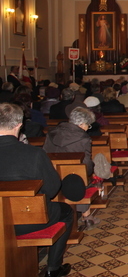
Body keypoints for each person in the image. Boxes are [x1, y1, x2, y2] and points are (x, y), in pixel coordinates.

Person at [0, 103, 74, 277]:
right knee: (66, 212)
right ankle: (53, 268)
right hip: (25, 221)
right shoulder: (33, 154)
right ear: (19, 125)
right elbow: (52, 188)